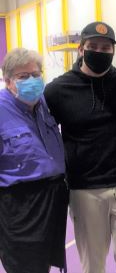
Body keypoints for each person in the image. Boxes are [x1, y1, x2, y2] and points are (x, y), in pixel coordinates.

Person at [44, 22, 116, 273]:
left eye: (106, 47)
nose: (100, 51)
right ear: (81, 49)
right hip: (85, 190)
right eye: (93, 46)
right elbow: (41, 131)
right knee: (93, 265)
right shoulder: (57, 90)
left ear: (113, 50)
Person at [0, 48, 68, 273]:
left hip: (51, 200)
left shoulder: (43, 104)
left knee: (44, 264)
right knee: (23, 266)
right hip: (20, 207)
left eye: (36, 74)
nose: (32, 80)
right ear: (8, 81)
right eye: (23, 76)